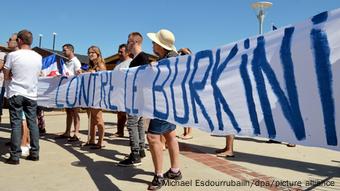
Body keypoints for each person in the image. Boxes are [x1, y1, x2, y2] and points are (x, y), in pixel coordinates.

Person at [146, 29, 182, 190]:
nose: (152, 44)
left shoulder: (170, 59)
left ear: (160, 45)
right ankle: (175, 170)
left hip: (163, 105)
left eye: (154, 42)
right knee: (170, 135)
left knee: (153, 138)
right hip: (169, 104)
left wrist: (158, 68)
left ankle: (158, 176)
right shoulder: (167, 58)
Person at [4, 29, 42, 164]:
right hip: (31, 93)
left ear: (19, 40)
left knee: (16, 124)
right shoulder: (38, 56)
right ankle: (35, 152)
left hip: (16, 92)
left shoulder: (13, 55)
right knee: (33, 123)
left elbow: (6, 73)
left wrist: (10, 77)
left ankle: (15, 156)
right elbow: (38, 74)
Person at [117, 32, 148, 167]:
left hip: (137, 97)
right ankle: (140, 150)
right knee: (139, 123)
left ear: (134, 42)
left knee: (132, 124)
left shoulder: (142, 58)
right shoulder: (138, 58)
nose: (127, 44)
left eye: (128, 42)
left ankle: (135, 154)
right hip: (136, 96)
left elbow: (145, 77)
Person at [57, 44, 82, 141]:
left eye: (65, 50)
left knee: (75, 112)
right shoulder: (66, 62)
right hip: (67, 90)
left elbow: (78, 73)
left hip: (74, 90)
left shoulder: (76, 61)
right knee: (68, 111)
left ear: (71, 50)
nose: (63, 52)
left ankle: (76, 132)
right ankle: (67, 131)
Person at [83, 46, 106, 149]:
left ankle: (100, 141)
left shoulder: (100, 65)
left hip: (98, 95)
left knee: (98, 118)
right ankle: (92, 139)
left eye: (93, 52)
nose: (90, 54)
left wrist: (95, 73)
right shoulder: (90, 66)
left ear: (98, 54)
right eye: (89, 52)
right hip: (90, 94)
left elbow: (104, 79)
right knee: (91, 118)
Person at [111, 44, 132, 137]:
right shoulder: (118, 63)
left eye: (121, 52)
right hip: (118, 92)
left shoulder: (131, 62)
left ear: (128, 52)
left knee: (130, 115)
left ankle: (133, 134)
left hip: (128, 92)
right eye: (118, 51)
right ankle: (120, 131)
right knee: (120, 113)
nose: (119, 53)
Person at [177, 48, 194, 140]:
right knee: (183, 112)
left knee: (189, 112)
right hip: (182, 90)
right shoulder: (182, 66)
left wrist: (182, 50)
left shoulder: (190, 64)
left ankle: (189, 132)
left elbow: (191, 56)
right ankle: (185, 132)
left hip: (189, 90)